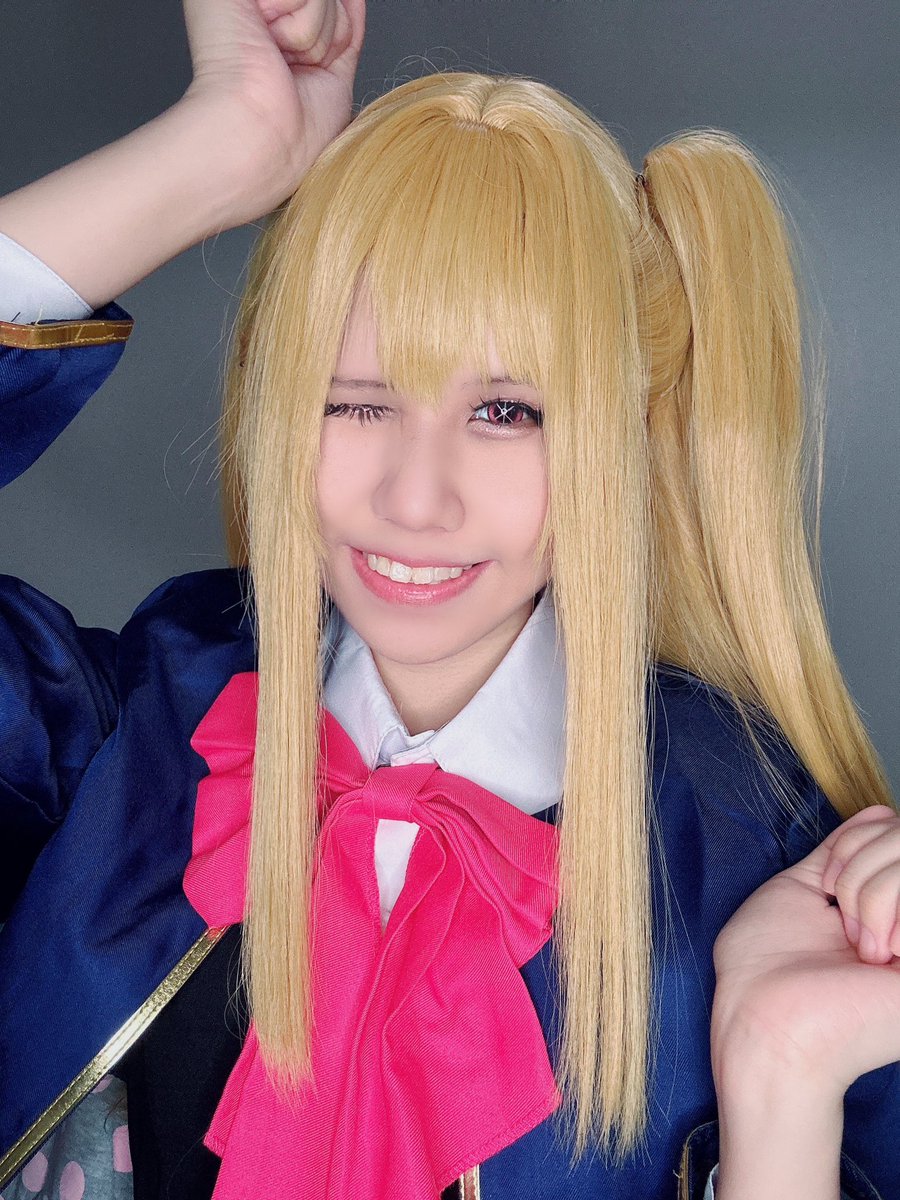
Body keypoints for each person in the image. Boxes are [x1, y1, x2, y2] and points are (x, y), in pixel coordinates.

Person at [0, 1, 898, 1198]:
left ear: (625, 431)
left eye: (505, 412)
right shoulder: (114, 731)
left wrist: (784, 1076)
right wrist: (218, 150)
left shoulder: (760, 855)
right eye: (353, 400)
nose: (414, 500)